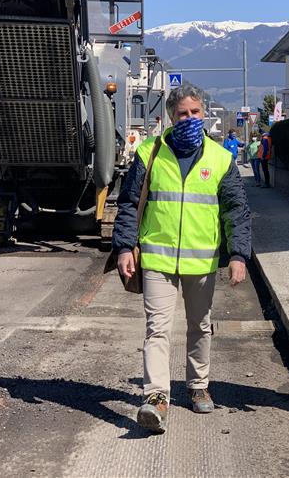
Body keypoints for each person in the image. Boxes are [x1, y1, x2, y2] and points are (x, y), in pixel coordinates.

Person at [112, 83, 251, 433]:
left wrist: (239, 255)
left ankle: (197, 385)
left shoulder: (221, 158)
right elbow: (129, 203)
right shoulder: (149, 153)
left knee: (199, 326)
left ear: (203, 113)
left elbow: (237, 210)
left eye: (195, 113)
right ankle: (156, 397)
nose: (189, 119)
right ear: (171, 117)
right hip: (157, 259)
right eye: (182, 114)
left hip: (201, 262)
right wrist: (125, 247)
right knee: (157, 329)